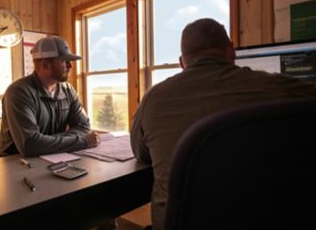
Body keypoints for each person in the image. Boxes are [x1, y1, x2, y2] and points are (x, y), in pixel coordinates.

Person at [130, 18, 316, 230]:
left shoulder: (152, 98)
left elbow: (140, 152)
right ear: (232, 51)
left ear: (182, 63)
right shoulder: (277, 85)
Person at [0, 35, 99, 157]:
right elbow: (30, 145)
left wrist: (45, 142)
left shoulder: (68, 90)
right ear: (45, 65)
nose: (70, 66)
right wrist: (83, 141)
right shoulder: (18, 92)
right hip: (15, 163)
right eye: (64, 61)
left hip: (53, 157)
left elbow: (84, 128)